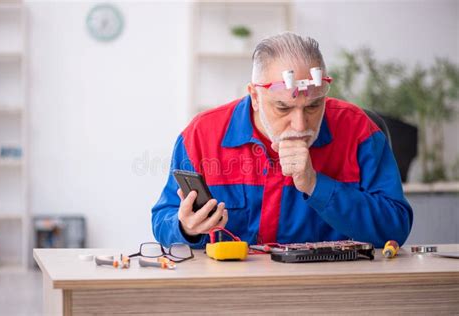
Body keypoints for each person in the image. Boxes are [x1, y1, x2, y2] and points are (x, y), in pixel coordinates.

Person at [151, 32, 413, 248]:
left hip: (330, 292)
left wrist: (315, 185)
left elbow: (396, 227)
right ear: (255, 96)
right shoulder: (201, 135)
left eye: (313, 106)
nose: (300, 125)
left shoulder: (359, 132)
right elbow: (162, 218)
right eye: (283, 108)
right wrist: (185, 227)